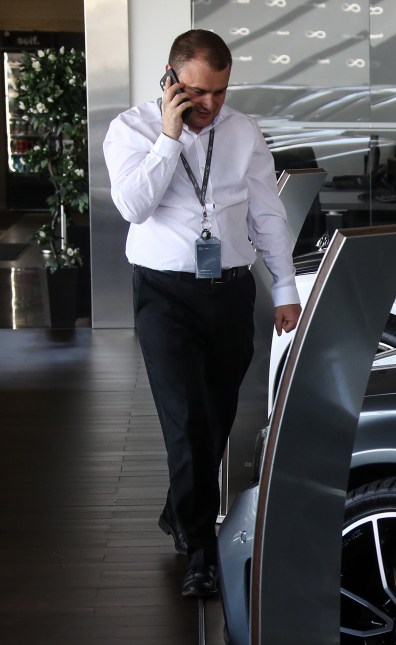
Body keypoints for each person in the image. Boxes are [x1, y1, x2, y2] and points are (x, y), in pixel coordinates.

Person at [103, 29, 302, 598]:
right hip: (164, 295)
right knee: (185, 419)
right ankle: (200, 549)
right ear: (169, 80)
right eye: (196, 92)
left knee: (213, 418)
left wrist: (285, 288)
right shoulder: (131, 130)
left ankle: (179, 509)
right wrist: (170, 138)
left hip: (231, 290)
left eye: (220, 92)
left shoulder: (243, 133)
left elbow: (267, 215)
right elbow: (133, 206)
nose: (210, 105)